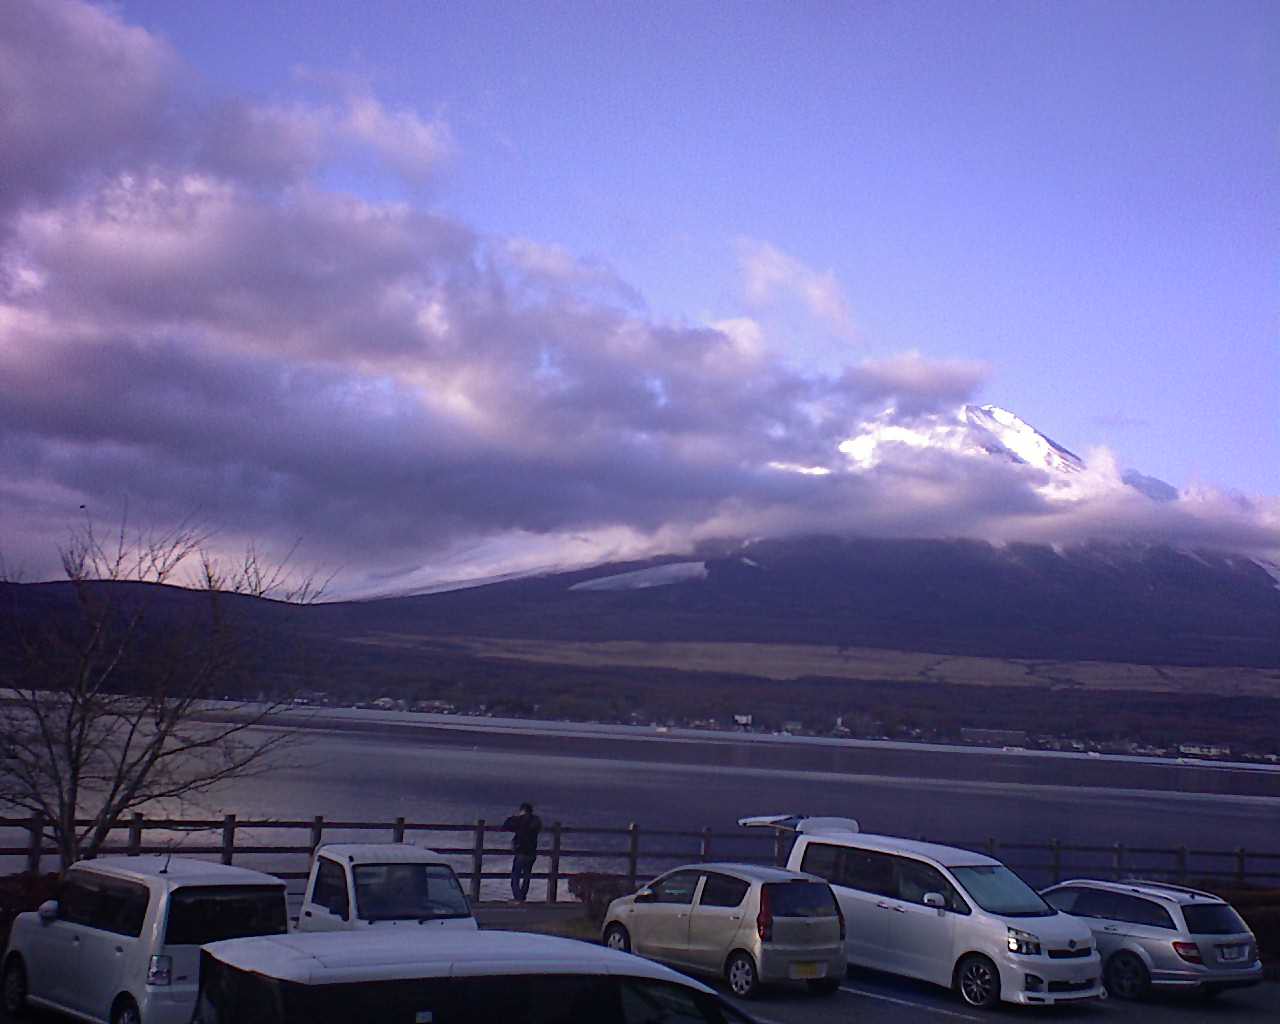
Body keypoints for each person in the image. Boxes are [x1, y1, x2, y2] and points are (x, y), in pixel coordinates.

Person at [501, 801, 542, 902]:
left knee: (515, 877)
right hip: (532, 852)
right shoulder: (536, 820)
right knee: (526, 876)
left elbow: (506, 826)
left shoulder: (520, 820)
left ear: (522, 810)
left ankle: (518, 898)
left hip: (521, 851)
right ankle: (522, 897)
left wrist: (514, 817)